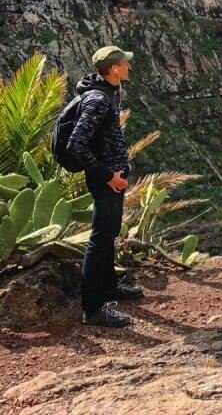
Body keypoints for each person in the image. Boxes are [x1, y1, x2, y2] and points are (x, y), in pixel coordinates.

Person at [67, 46, 143, 328]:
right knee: (99, 240)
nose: (129, 67)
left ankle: (110, 285)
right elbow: (76, 144)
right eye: (125, 64)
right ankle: (93, 309)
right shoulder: (98, 99)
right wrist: (108, 176)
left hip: (113, 177)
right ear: (113, 69)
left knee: (109, 233)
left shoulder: (108, 89)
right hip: (106, 181)